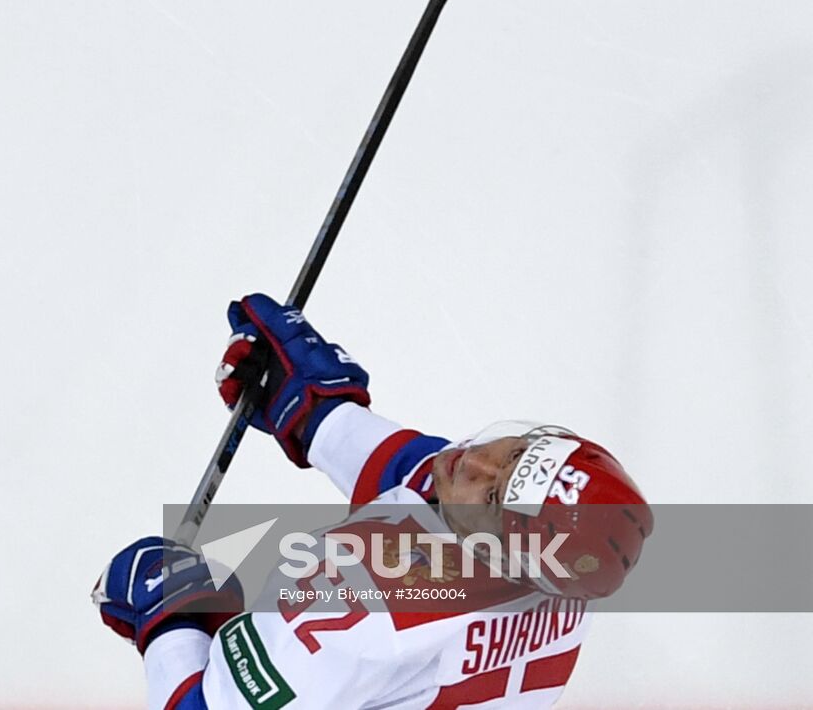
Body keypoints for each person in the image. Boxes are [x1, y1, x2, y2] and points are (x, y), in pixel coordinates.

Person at [93, 294, 652, 710]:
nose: (476, 461)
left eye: (492, 493)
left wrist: (167, 622)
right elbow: (423, 481)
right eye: (514, 454)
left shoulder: (347, 612)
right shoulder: (560, 559)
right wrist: (316, 410)